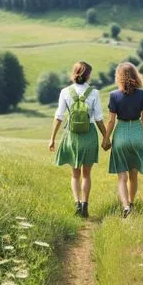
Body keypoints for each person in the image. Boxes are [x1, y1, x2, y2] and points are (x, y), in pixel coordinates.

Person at [49, 61, 107, 218]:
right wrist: (106, 137)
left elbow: (59, 117)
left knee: (75, 174)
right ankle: (85, 205)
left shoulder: (65, 92)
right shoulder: (94, 93)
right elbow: (99, 118)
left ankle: (76, 205)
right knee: (87, 174)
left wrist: (52, 138)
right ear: (87, 75)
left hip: (71, 136)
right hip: (89, 135)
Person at [102, 62, 143, 218]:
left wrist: (106, 138)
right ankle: (132, 203)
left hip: (120, 135)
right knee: (133, 175)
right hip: (137, 134)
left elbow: (111, 121)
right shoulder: (142, 94)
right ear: (135, 75)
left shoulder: (114, 96)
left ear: (119, 77)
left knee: (122, 177)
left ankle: (125, 206)